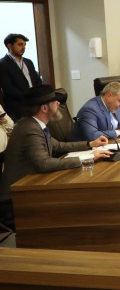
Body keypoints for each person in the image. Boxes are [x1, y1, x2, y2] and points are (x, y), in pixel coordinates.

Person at [0, 85, 111, 223]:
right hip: (17, 197)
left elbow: (58, 146)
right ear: (44, 108)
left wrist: (90, 144)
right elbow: (43, 163)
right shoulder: (30, 129)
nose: (58, 103)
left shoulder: (34, 124)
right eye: (54, 101)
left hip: (31, 186)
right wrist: (88, 158)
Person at [0, 33, 43, 122]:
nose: (23, 48)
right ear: (9, 46)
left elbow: (37, 80)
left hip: (34, 104)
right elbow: (8, 88)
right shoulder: (2, 64)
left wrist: (37, 95)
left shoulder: (28, 62)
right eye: (20, 45)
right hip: (17, 107)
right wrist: (28, 97)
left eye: (24, 45)